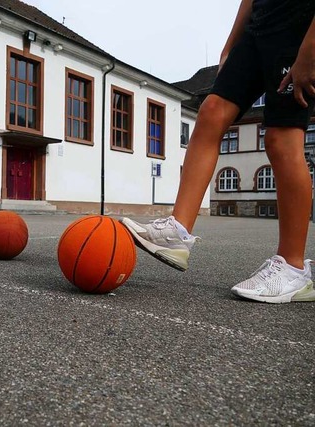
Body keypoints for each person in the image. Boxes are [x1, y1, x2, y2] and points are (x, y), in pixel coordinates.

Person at [121, 0, 315, 303]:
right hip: (257, 30)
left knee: (281, 137)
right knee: (211, 111)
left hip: (300, 26)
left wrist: (312, 47)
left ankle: (293, 268)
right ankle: (178, 231)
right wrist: (231, 45)